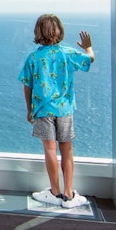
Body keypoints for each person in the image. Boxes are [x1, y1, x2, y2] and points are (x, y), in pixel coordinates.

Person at [18, 14, 95, 208]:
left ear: (38, 32)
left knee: (50, 150)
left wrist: (29, 109)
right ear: (59, 31)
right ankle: (68, 195)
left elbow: (27, 85)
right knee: (66, 149)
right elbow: (89, 60)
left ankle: (54, 191)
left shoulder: (33, 58)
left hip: (43, 109)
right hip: (64, 109)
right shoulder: (68, 53)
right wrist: (88, 47)